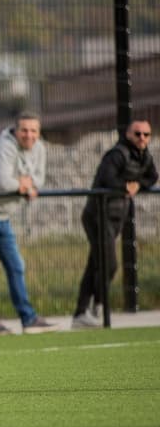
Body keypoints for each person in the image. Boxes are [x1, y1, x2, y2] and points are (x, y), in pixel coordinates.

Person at [0, 112, 57, 335]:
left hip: (5, 216)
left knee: (16, 266)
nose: (29, 135)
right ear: (16, 131)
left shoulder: (39, 148)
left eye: (33, 131)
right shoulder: (5, 147)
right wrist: (22, 185)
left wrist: (25, 184)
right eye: (24, 130)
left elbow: (39, 179)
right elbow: (2, 181)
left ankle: (28, 318)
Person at [72, 119, 157, 328]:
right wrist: (126, 186)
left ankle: (81, 313)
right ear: (128, 134)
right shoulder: (117, 154)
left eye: (146, 134)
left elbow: (152, 177)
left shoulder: (144, 156)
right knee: (108, 264)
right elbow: (107, 179)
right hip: (98, 216)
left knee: (96, 263)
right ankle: (98, 305)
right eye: (137, 134)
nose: (142, 138)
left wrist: (138, 184)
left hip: (117, 216)